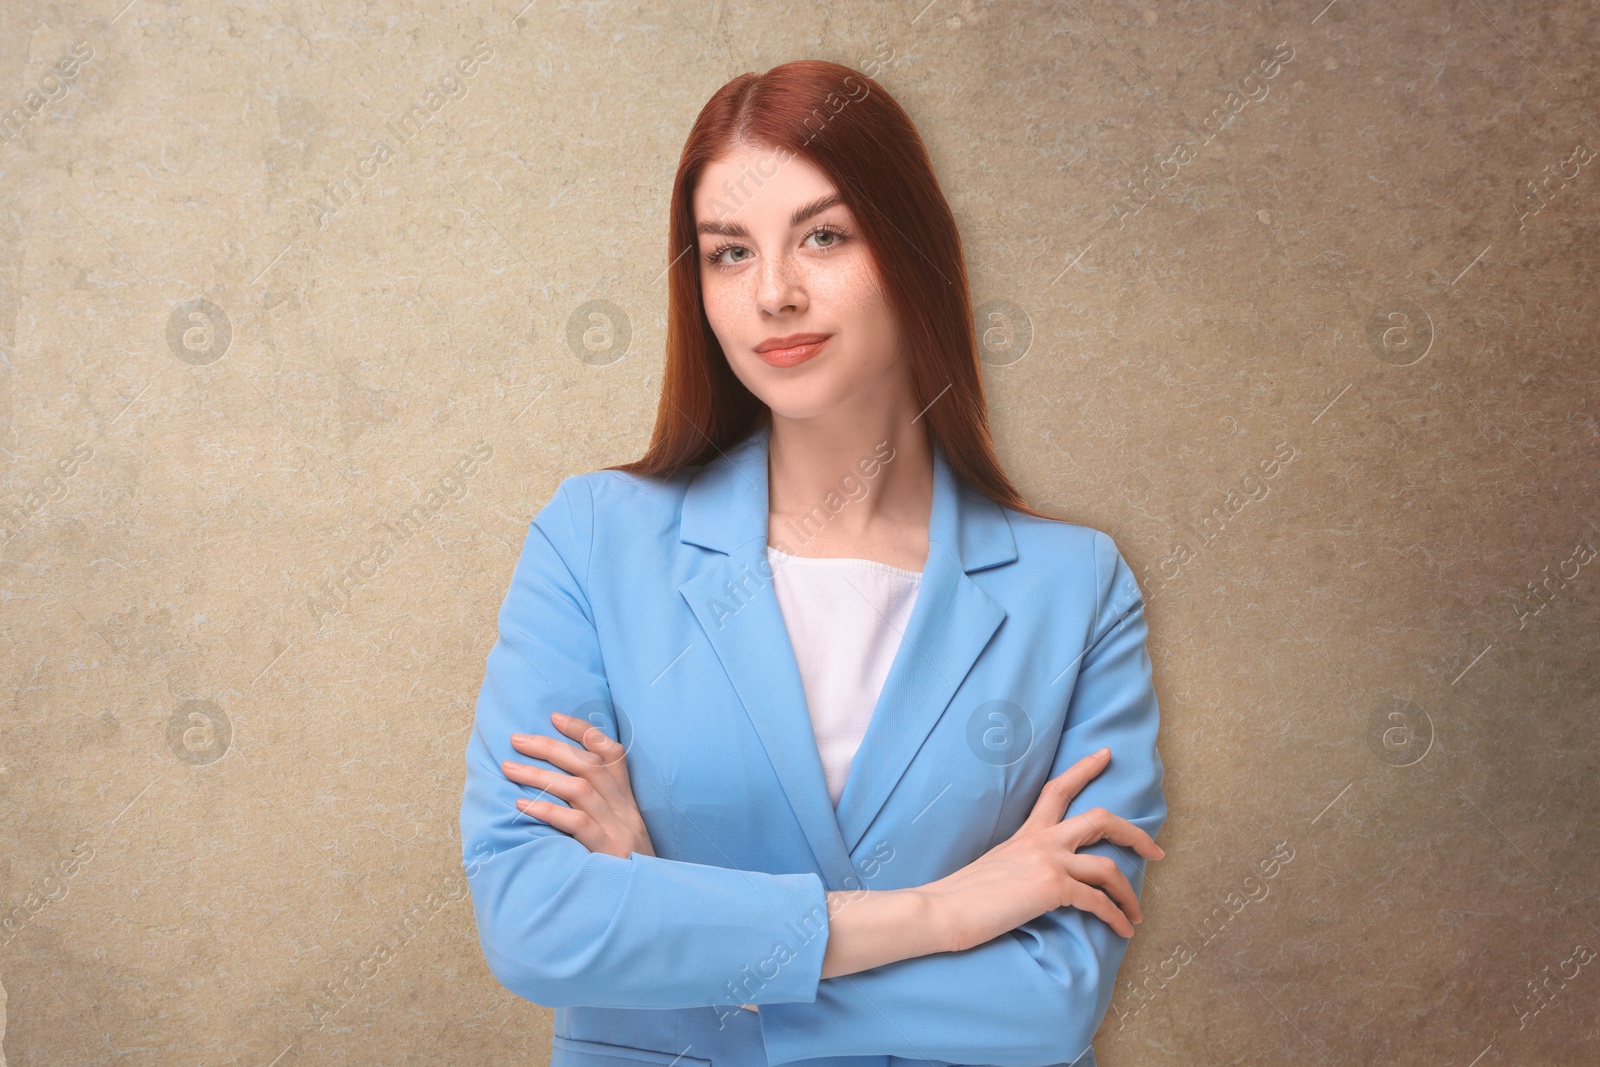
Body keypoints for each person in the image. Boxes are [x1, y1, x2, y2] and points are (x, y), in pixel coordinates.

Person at [460, 59, 1167, 1067]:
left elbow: (1049, 1003)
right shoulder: (595, 539)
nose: (775, 294)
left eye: (823, 235)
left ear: (912, 250)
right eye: (728, 253)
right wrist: (943, 910)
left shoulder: (1076, 587)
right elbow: (534, 919)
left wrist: (674, 931)